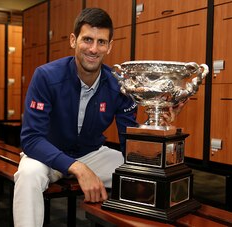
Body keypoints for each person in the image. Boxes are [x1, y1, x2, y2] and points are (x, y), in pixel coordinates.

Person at [13, 8, 138, 227]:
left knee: (138, 175)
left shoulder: (120, 85)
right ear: (73, 40)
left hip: (90, 153)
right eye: (87, 39)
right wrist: (78, 168)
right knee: (28, 175)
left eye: (101, 42)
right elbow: (31, 139)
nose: (93, 49)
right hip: (47, 154)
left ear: (109, 46)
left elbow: (131, 142)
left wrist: (161, 121)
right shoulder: (46, 76)